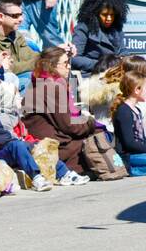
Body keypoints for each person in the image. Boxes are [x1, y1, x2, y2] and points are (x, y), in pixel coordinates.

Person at [20, 47, 94, 178]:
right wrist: (90, 122)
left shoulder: (38, 83)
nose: (69, 66)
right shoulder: (52, 87)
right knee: (96, 136)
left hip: (42, 144)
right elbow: (70, 126)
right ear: (52, 66)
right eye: (65, 63)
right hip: (54, 148)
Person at [70, 0, 130, 73]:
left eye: (112, 15)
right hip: (92, 74)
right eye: (104, 15)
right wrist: (103, 65)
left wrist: (125, 58)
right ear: (95, 14)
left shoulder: (116, 27)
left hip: (114, 73)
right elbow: (74, 58)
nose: (109, 19)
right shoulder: (83, 28)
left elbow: (122, 50)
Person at [0, 0, 38, 89]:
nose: (21, 19)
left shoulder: (15, 34)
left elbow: (31, 56)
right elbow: (6, 68)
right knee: (32, 79)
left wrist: (55, 55)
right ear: (1, 17)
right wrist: (41, 62)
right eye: (15, 16)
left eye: (21, 14)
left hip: (15, 78)